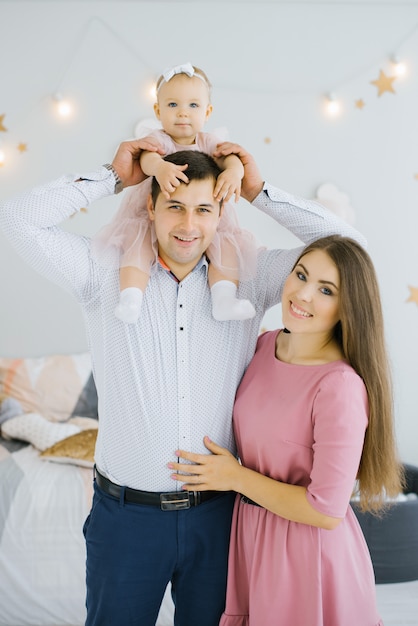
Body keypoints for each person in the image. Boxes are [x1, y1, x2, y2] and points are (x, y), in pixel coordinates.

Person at [0, 138, 367, 626]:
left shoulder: (249, 280)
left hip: (218, 520)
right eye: (174, 206)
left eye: (204, 209)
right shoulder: (102, 273)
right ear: (150, 207)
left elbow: (348, 247)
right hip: (125, 519)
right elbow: (15, 220)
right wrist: (113, 177)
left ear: (220, 214)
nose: (189, 225)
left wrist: (258, 190)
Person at [170, 234, 404, 626]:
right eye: (301, 274)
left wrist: (235, 477)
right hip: (250, 539)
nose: (303, 294)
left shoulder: (339, 386)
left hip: (306, 553)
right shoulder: (263, 346)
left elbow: (326, 510)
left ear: (349, 308)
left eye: (326, 290)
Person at [93, 62, 257, 324]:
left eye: (193, 106)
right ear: (158, 110)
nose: (182, 113)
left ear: (207, 111)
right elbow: (147, 160)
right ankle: (131, 298)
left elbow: (232, 158)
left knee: (224, 247)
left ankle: (224, 298)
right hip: (152, 212)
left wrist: (234, 172)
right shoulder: (158, 140)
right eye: (172, 105)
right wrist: (159, 167)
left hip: (203, 212)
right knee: (138, 246)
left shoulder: (209, 142)